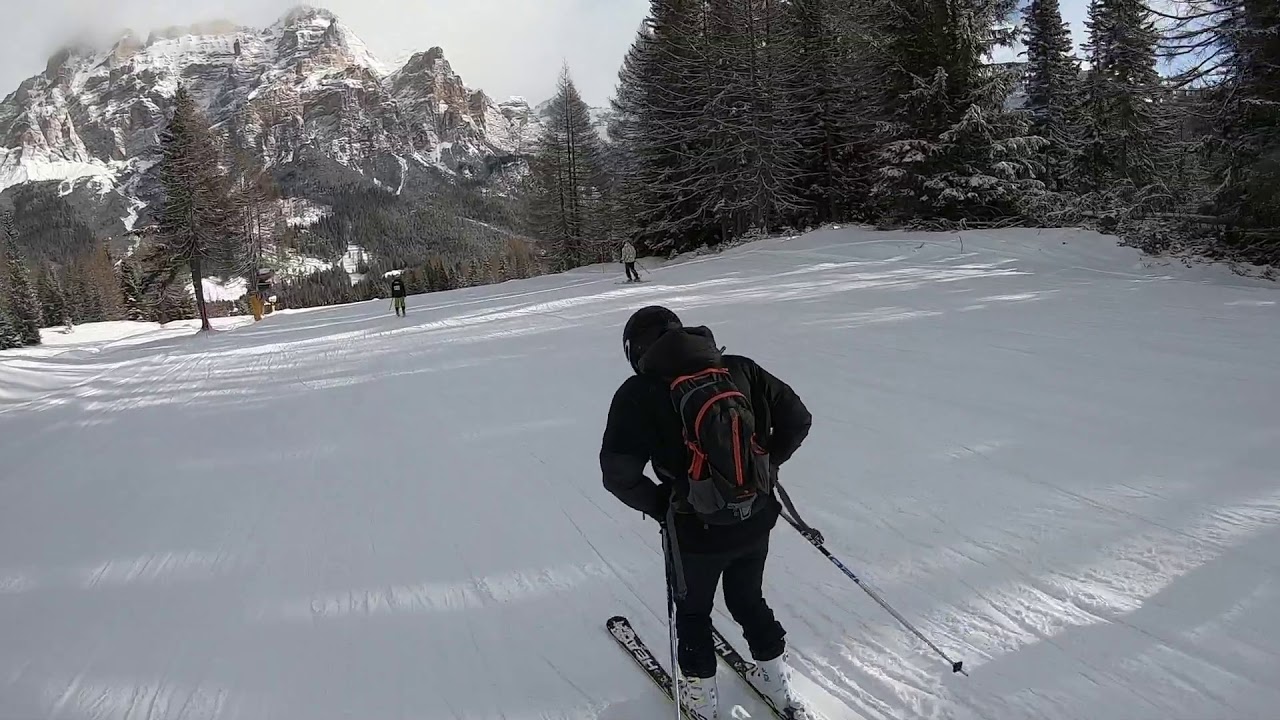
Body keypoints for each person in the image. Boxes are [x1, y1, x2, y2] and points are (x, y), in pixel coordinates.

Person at [600, 306, 813, 720]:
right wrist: (765, 469)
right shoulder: (738, 368)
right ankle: (775, 682)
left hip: (693, 529)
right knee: (748, 598)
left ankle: (702, 702)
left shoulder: (638, 393)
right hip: (755, 515)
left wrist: (662, 505)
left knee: (694, 612)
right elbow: (798, 419)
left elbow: (617, 475)